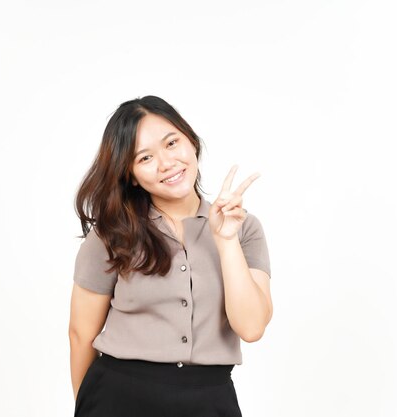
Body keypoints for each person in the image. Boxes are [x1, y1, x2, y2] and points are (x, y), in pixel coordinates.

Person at [69, 95, 272, 416]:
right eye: (145, 158)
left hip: (209, 398)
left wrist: (225, 240)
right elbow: (81, 333)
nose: (166, 163)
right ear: (131, 175)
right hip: (117, 397)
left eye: (172, 143)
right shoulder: (111, 234)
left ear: (191, 141)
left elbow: (251, 328)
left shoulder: (244, 229)